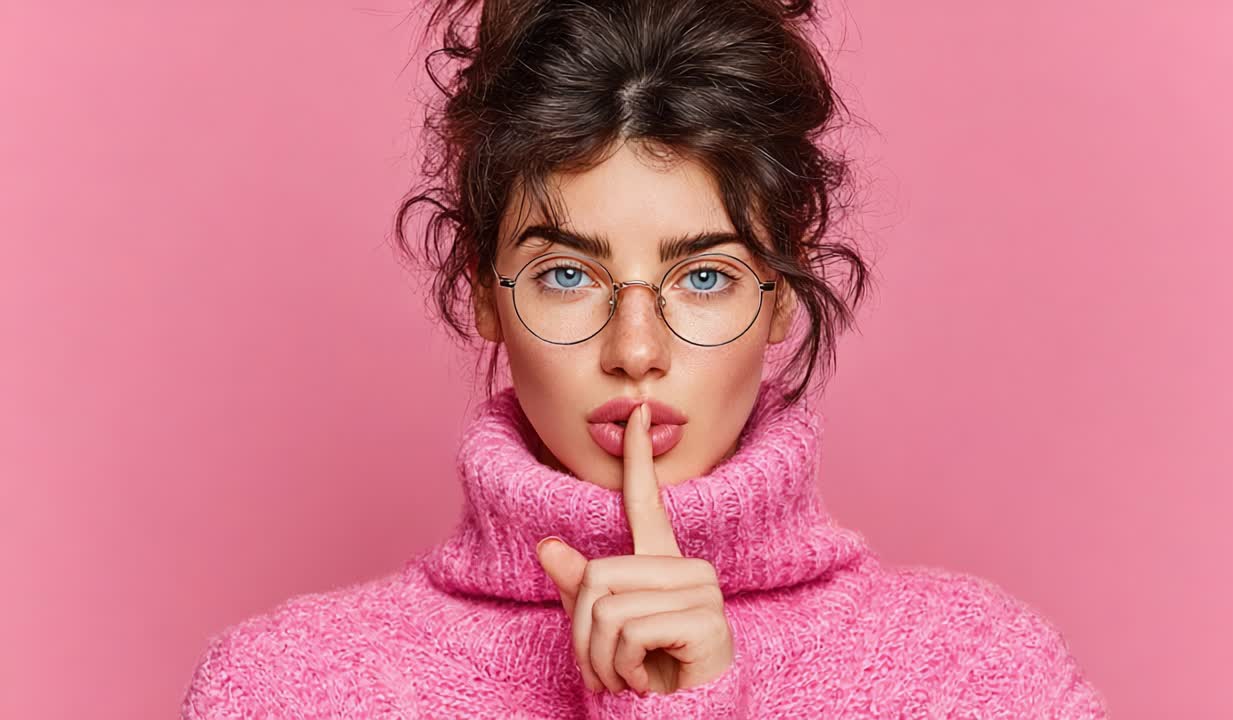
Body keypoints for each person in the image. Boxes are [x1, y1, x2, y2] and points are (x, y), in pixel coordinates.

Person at [182, 0, 1109, 716]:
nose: (636, 352)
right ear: (482, 289)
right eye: (566, 275)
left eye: (703, 277)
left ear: (780, 286)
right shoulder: (287, 689)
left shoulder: (976, 678)